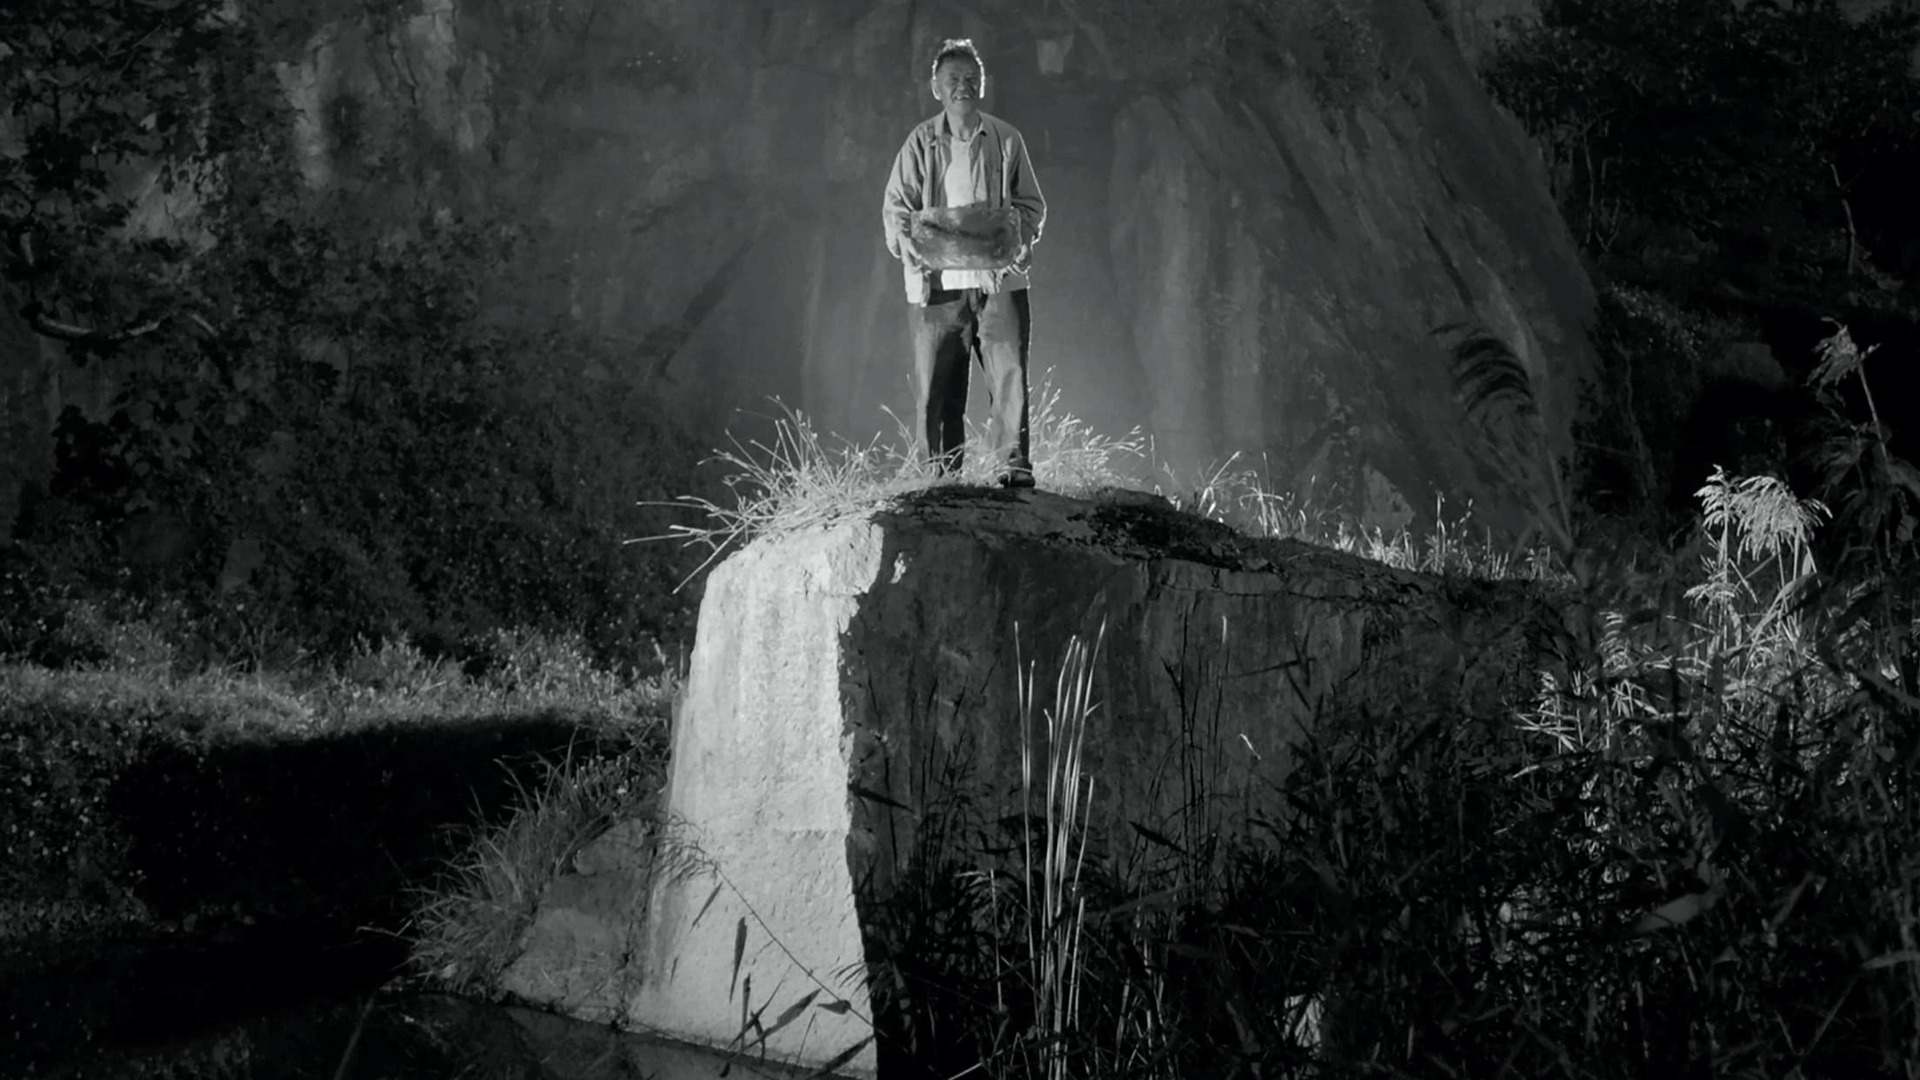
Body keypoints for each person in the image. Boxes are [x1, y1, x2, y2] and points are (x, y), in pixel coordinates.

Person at [881, 38, 1048, 487]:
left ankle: (1012, 467)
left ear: (983, 85)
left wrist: (1023, 238)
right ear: (936, 88)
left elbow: (1031, 205)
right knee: (937, 388)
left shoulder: (1007, 140)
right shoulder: (920, 143)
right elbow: (897, 206)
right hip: (937, 285)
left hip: (999, 283)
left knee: (1009, 377)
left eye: (971, 79)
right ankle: (939, 476)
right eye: (953, 79)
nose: (963, 87)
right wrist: (906, 241)